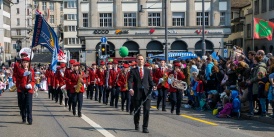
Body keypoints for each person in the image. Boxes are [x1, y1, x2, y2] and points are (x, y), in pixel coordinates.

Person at [128, 54, 156, 133]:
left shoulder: (147, 70)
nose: (140, 61)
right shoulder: (133, 71)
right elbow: (130, 81)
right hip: (137, 92)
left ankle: (145, 127)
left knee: (146, 110)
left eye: (141, 59)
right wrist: (130, 88)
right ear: (136, 61)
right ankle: (136, 124)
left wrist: (153, 86)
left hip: (147, 93)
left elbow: (150, 81)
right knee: (137, 110)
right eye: (139, 59)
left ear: (144, 61)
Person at [17, 57, 35, 125]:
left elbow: (33, 80)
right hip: (22, 89)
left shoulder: (31, 70)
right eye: (24, 62)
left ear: (28, 63)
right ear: (22, 63)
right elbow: (19, 79)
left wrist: (31, 85)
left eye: (26, 62)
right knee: (23, 105)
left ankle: (30, 119)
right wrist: (24, 74)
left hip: (29, 90)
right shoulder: (20, 70)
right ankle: (24, 117)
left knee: (29, 105)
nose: (25, 64)